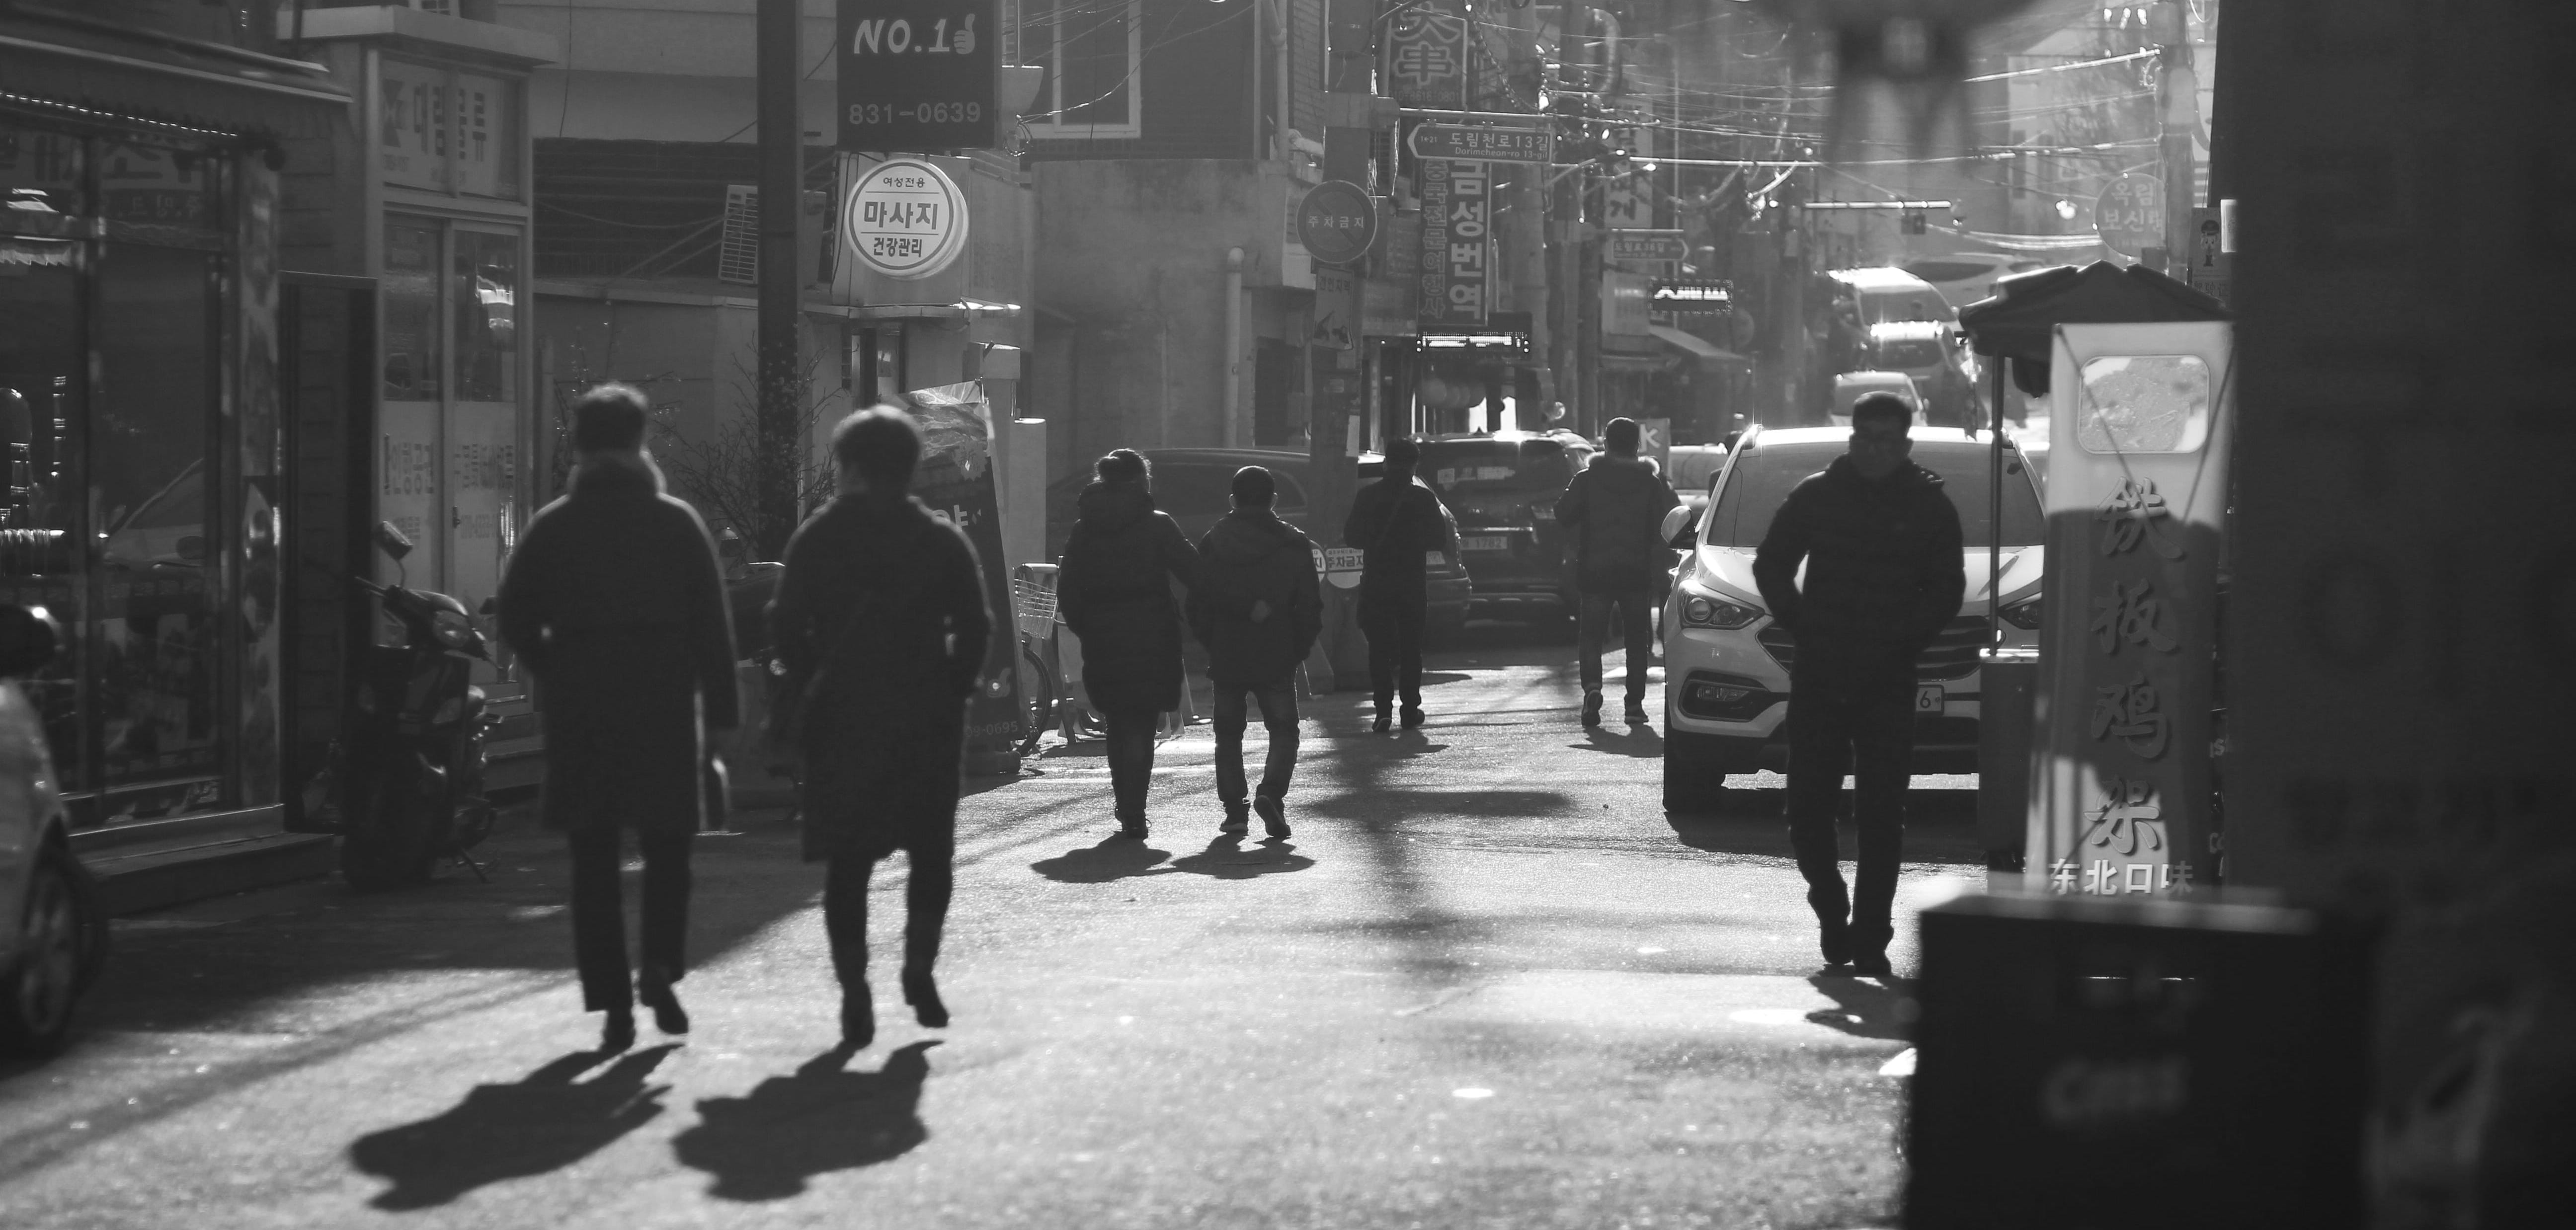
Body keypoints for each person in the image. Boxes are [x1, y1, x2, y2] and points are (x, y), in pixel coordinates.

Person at [497, 383, 739, 1054]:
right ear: (641, 444)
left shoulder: (556, 525)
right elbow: (712, 629)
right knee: (668, 852)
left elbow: (516, 613)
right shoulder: (674, 521)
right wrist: (721, 714)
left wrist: (556, 668)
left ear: (579, 446)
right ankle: (659, 965)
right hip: (664, 702)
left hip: (586, 705)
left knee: (594, 861)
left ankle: (612, 1006)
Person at [768, 406, 991, 1049]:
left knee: (848, 861)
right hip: (926, 717)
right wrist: (954, 687)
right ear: (911, 466)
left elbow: (786, 627)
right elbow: (975, 626)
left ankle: (855, 993)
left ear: (850, 465)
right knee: (930, 854)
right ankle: (919, 970)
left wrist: (813, 677)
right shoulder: (940, 539)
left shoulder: (819, 537)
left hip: (843, 718)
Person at [1752, 392, 1965, 978]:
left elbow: (1947, 588)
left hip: (1888, 676)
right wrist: (1800, 621)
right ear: (1851, 440)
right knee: (1807, 807)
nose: (1873, 450)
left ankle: (1871, 936)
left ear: (1905, 445)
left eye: (1885, 440)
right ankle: (1830, 904)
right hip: (1821, 670)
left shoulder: (1928, 505)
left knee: (1881, 811)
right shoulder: (1817, 494)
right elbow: (1771, 563)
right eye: (1863, 437)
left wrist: (1906, 638)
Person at [1057, 449, 1197, 839]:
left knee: (1119, 719)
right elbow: (1193, 572)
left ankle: (1126, 805)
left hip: (1103, 632)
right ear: (1142, 482)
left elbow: (1069, 587)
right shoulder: (1158, 525)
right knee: (1142, 719)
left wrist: (1086, 625)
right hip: (1152, 631)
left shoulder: (1084, 529)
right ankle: (1135, 808)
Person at [1186, 466, 1323, 838]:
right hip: (1278, 650)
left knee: (1228, 733)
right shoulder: (1293, 541)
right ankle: (1272, 794)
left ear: (1233, 500)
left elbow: (1197, 601)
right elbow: (1310, 603)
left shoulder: (1214, 541)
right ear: (1274, 500)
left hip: (1228, 650)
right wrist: (1299, 647)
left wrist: (1211, 642)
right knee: (1283, 728)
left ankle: (1235, 812)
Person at [1554, 417, 1680, 728]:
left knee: (1592, 635)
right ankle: (1634, 705)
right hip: (1635, 573)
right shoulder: (1652, 483)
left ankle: (1592, 690)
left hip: (1595, 571)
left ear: (1605, 444)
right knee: (1637, 639)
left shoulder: (1587, 478)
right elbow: (1665, 528)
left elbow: (1563, 513)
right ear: (1637, 446)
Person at [1343, 436, 1455, 731]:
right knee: (1410, 647)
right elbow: (1438, 539)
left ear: (1386, 463)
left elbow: (1351, 537)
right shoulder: (1422, 498)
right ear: (1414, 466)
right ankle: (1410, 708)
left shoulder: (1368, 497)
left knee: (1379, 647)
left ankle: (1382, 710)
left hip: (1377, 579)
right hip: (1411, 581)